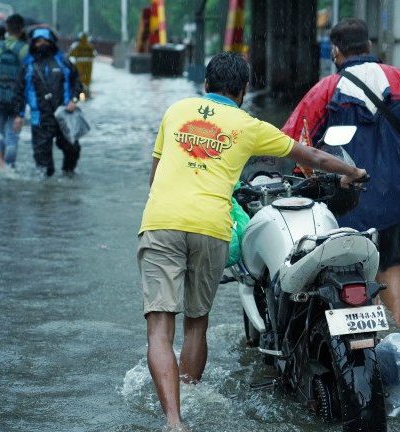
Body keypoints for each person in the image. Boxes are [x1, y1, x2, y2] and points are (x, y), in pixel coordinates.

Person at [138, 52, 367, 429]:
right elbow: (309, 154)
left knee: (160, 329)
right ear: (243, 91)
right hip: (211, 226)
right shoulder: (248, 125)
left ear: (206, 85)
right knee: (196, 323)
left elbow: (155, 175)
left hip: (162, 220)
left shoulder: (176, 111)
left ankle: (174, 422)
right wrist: (352, 171)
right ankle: (190, 395)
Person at [282, 18, 400, 327]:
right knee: (391, 261)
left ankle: (353, 333)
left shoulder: (326, 89)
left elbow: (292, 139)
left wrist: (290, 177)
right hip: (397, 190)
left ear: (336, 51)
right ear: (370, 46)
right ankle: (396, 331)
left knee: (346, 262)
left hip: (345, 194)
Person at [13, 27, 82, 177]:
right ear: (33, 44)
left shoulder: (63, 62)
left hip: (64, 115)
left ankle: (68, 177)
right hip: (40, 118)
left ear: (51, 42)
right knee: (43, 162)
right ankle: (46, 192)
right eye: (38, 41)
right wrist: (19, 115)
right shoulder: (27, 66)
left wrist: (74, 100)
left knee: (73, 150)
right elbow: (19, 92)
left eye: (45, 41)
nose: (42, 44)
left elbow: (77, 83)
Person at [0, 14, 28, 169]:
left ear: (7, 28)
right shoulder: (25, 50)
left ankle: (0, 161)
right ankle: (10, 165)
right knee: (12, 134)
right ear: (22, 29)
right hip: (16, 99)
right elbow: (28, 79)